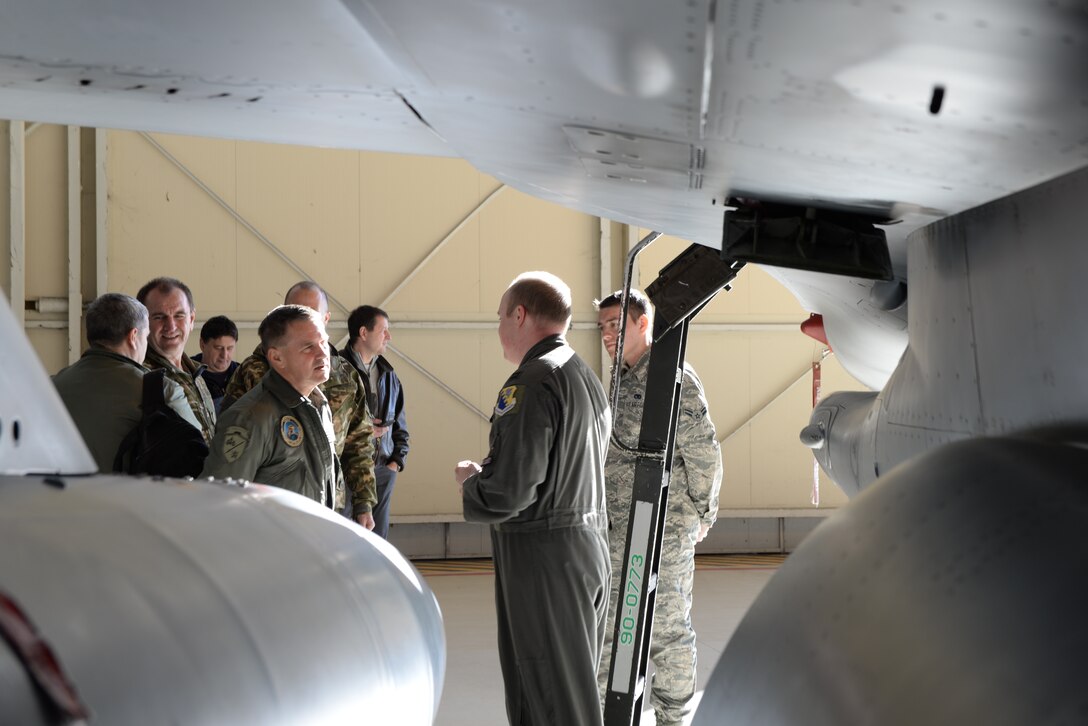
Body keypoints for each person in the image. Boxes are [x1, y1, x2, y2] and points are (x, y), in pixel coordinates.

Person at [454, 271, 611, 726]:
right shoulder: (583, 375)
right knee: (569, 690)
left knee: (546, 697)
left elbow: (511, 491)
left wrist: (471, 481)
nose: (500, 326)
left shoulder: (532, 382)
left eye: (501, 316)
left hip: (544, 559)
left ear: (519, 315)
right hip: (583, 548)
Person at [594, 289, 723, 726]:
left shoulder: (673, 377)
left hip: (664, 531)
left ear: (643, 323)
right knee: (613, 627)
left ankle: (672, 718)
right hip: (619, 532)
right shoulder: (617, 380)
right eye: (602, 327)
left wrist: (701, 515)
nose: (607, 335)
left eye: (616, 324)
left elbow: (703, 452)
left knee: (666, 630)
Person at [223, 282, 376, 529]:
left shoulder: (344, 377)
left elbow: (359, 441)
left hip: (329, 504)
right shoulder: (253, 371)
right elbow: (230, 456)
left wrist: (364, 501)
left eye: (312, 312)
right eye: (295, 309)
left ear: (326, 318)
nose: (303, 317)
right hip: (273, 513)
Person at [202, 305, 342, 505]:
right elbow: (218, 502)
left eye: (323, 342)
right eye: (308, 347)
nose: (323, 353)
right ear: (277, 358)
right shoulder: (250, 418)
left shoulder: (319, 406)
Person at [53, 293, 202, 472]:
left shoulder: (52, 385)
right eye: (146, 336)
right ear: (133, 337)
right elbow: (199, 457)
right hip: (132, 498)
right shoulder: (160, 391)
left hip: (58, 498)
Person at [344, 305, 409, 539]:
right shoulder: (337, 372)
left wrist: (396, 463)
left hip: (383, 470)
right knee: (345, 540)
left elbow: (400, 426)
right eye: (384, 331)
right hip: (347, 472)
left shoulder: (389, 376)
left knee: (378, 543)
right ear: (364, 333)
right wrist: (362, 433)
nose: (389, 337)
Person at [136, 277, 217, 444]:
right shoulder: (142, 377)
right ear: (143, 322)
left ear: (192, 319)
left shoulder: (195, 373)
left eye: (179, 315)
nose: (171, 326)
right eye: (159, 317)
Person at [192, 315, 240, 414]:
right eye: (218, 348)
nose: (224, 355)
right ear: (202, 345)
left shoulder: (243, 375)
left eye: (230, 348)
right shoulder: (187, 374)